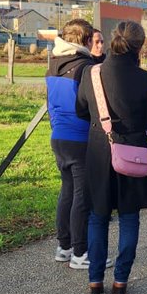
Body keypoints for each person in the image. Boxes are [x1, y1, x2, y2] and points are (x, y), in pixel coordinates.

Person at [76, 20, 147, 294]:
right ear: (140, 46)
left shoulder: (91, 73)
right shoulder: (144, 78)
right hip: (132, 153)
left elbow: (81, 110)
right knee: (129, 216)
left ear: (113, 40)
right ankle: (121, 281)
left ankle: (94, 280)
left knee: (97, 216)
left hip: (99, 150)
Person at [46, 18, 95, 269]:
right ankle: (80, 252)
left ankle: (63, 247)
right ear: (86, 40)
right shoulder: (86, 67)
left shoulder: (53, 65)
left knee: (66, 191)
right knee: (81, 196)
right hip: (80, 137)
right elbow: (89, 104)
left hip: (59, 136)